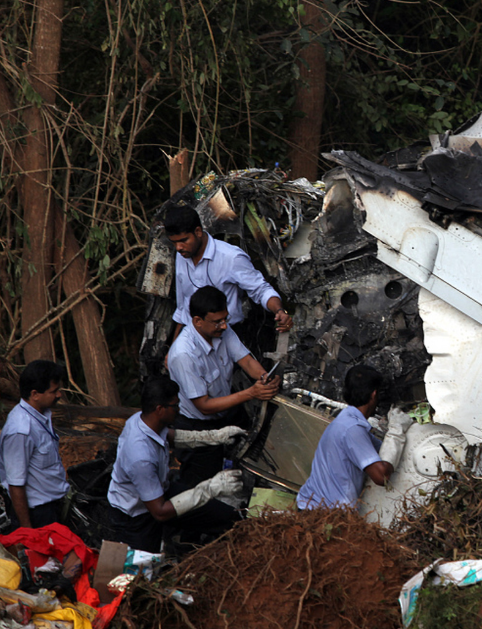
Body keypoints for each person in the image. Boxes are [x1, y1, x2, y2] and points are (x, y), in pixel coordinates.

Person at [107, 377, 245, 553]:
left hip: (160, 491)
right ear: (160, 409)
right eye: (175, 406)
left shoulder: (143, 420)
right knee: (142, 573)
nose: (179, 410)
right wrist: (210, 488)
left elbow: (171, 436)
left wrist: (215, 437)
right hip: (137, 516)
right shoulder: (140, 457)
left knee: (225, 517)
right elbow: (160, 512)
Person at [167, 286, 280, 485]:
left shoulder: (222, 332)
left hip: (227, 411)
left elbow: (246, 361)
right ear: (197, 321)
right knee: (204, 486)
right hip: (197, 426)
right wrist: (252, 393)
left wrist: (265, 378)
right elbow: (204, 405)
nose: (224, 326)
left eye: (225, 319)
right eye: (217, 322)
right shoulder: (184, 354)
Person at [164, 205, 292, 339]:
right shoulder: (182, 255)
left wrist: (279, 311)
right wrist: (173, 349)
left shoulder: (231, 257)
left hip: (226, 336)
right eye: (174, 242)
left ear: (198, 232)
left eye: (184, 240)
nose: (178, 247)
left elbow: (261, 290)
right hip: (191, 338)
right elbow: (182, 309)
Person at [297, 365, 394, 510]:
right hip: (320, 515)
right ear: (374, 394)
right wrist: (397, 434)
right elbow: (382, 477)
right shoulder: (352, 429)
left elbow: (381, 449)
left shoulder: (347, 420)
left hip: (316, 509)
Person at [0, 360, 68, 529]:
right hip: (37, 514)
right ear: (35, 394)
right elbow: (15, 484)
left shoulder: (41, 415)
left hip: (54, 506)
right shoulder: (21, 431)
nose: (59, 395)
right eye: (54, 391)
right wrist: (28, 531)